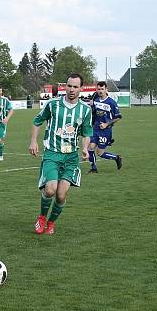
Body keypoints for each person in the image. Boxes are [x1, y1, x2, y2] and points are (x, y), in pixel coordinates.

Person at [29, 73, 93, 235]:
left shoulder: (85, 110)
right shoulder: (53, 104)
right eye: (69, 86)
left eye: (75, 87)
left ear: (81, 89)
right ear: (65, 86)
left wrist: (85, 148)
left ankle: (51, 222)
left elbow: (86, 132)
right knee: (50, 189)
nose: (71, 89)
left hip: (71, 157)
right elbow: (37, 121)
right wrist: (34, 141)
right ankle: (42, 217)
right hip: (52, 153)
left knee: (61, 194)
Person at [87, 81, 123, 173]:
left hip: (105, 131)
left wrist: (107, 124)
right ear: (96, 90)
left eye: (102, 89)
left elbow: (118, 117)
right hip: (95, 129)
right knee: (90, 148)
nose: (100, 91)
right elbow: (94, 113)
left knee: (100, 153)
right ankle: (93, 168)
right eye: (99, 89)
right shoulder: (96, 101)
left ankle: (116, 158)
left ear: (106, 89)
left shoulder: (111, 102)